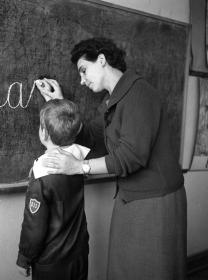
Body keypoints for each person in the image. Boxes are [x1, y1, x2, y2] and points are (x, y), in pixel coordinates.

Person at [35, 37, 187, 280]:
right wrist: (57, 102)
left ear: (102, 60)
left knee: (152, 272)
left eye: (83, 70)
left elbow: (131, 157)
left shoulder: (139, 93)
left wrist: (79, 167)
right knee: (123, 270)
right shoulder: (112, 99)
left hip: (156, 199)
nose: (82, 80)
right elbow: (90, 136)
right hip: (130, 196)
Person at [16, 99, 90, 280]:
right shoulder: (78, 163)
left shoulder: (41, 176)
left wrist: (24, 258)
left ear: (44, 133)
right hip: (78, 254)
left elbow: (34, 228)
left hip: (51, 262)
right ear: (79, 130)